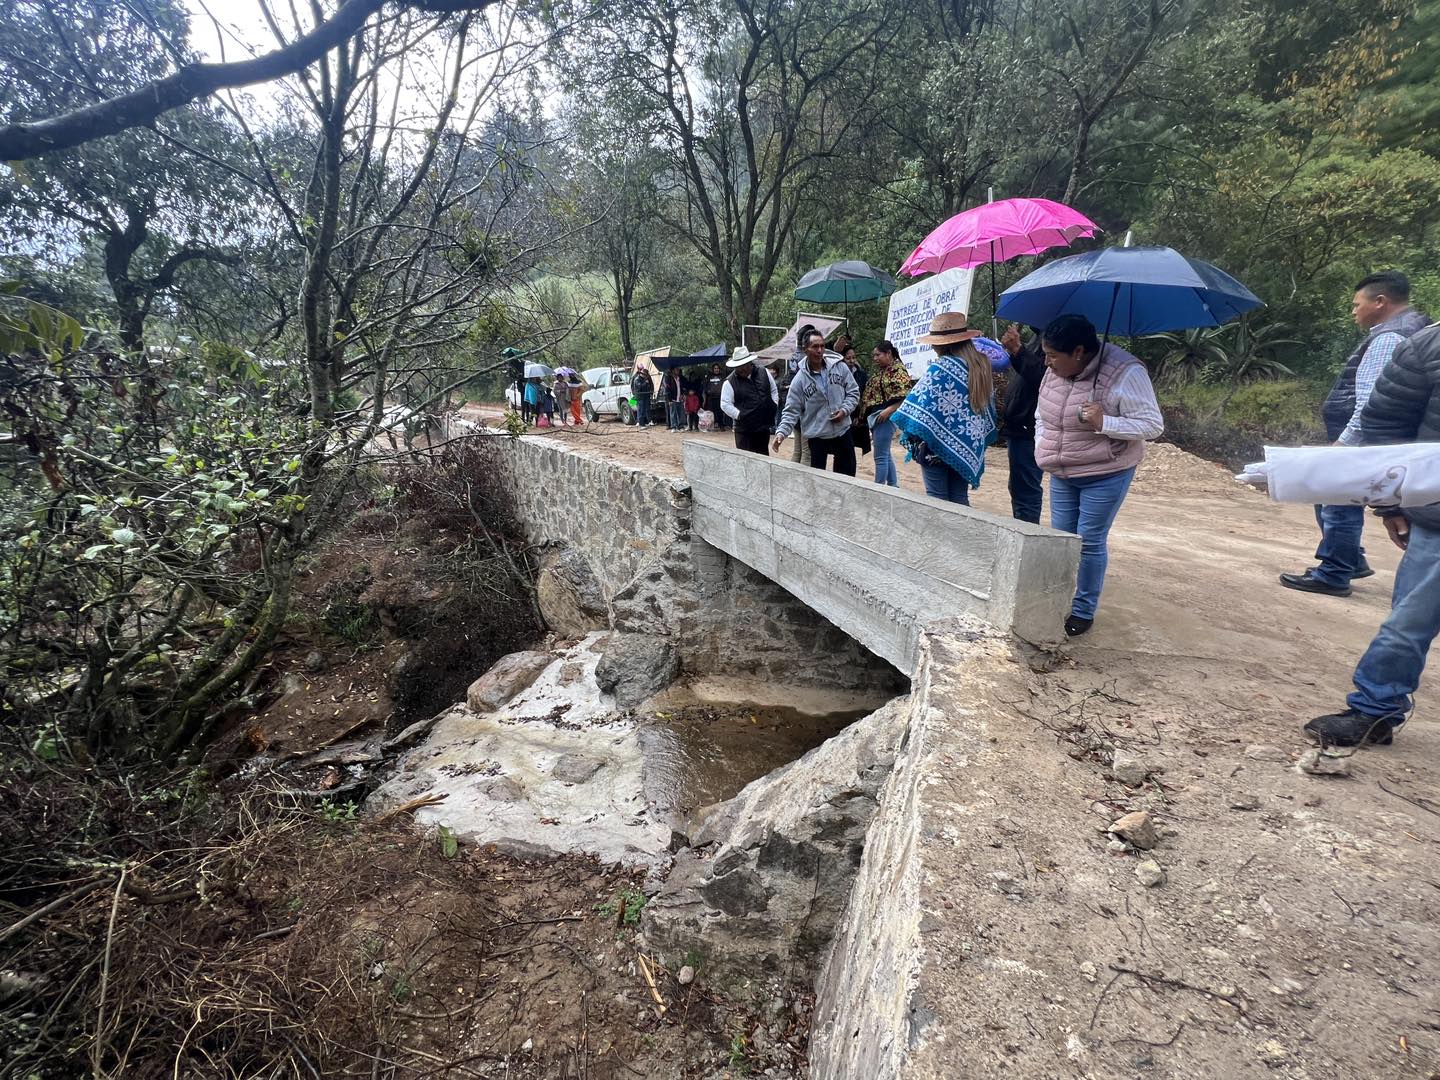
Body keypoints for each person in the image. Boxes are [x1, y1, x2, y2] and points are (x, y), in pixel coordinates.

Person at [1305, 320, 1440, 748]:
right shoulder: (1429, 345)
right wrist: (1391, 503)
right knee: (1410, 621)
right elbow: (1385, 424)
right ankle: (1375, 710)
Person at [1282, 271, 1431, 597]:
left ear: (1380, 301)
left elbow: (1371, 404)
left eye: (1356, 303)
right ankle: (1351, 560)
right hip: (1394, 440)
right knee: (1332, 500)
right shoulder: (1416, 331)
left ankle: (1335, 572)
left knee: (1336, 501)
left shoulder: (1388, 339)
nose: (1353, 311)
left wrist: (1343, 445)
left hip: (1366, 440)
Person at [1035, 314, 1164, 637]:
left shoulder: (1126, 373)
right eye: (1045, 354)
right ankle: (1057, 602)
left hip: (1105, 471)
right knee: (1063, 541)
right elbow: (1043, 415)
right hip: (1062, 470)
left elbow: (1152, 425)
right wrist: (1043, 446)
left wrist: (1106, 422)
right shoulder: (1053, 373)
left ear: (1078, 352)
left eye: (1053, 356)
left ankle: (1082, 610)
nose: (1047, 363)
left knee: (1089, 542)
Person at [891, 313, 996, 504]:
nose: (932, 345)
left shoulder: (941, 368)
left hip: (935, 447)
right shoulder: (981, 366)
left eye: (934, 341)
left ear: (944, 343)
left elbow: (915, 408)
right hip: (967, 445)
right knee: (959, 498)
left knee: (937, 500)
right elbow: (985, 412)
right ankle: (962, 535)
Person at [771, 329, 860, 474]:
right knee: (817, 480)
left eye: (822, 346)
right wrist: (781, 433)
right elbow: (791, 410)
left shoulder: (840, 367)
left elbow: (853, 392)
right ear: (806, 349)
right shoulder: (799, 380)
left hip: (843, 432)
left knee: (847, 478)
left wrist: (844, 410)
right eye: (815, 347)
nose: (819, 350)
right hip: (817, 437)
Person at [999, 323, 1048, 523]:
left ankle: (1027, 538)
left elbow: (1044, 378)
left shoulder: (1058, 338)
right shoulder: (1040, 336)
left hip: (1030, 429)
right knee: (1019, 487)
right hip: (1021, 427)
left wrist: (1018, 350)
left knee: (1026, 491)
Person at [859, 339, 913, 486]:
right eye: (874, 356)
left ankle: (879, 487)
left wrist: (888, 411)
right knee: (885, 454)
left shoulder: (898, 370)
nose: (875, 358)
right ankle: (893, 486)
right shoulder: (885, 371)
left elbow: (906, 396)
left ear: (888, 353)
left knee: (880, 456)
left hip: (886, 416)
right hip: (880, 416)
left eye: (878, 355)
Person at [720, 346, 778, 454]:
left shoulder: (764, 372)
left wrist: (774, 404)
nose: (742, 369)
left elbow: (774, 390)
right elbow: (725, 404)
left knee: (763, 458)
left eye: (745, 365)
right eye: (739, 366)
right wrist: (739, 415)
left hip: (763, 427)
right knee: (745, 461)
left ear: (750, 363)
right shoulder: (729, 382)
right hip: (744, 430)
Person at [705, 364, 729, 431]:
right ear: (713, 369)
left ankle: (721, 425)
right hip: (711, 398)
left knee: (720, 412)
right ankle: (710, 426)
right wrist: (708, 391)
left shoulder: (722, 377)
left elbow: (726, 386)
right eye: (715, 368)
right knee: (711, 412)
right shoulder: (709, 377)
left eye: (717, 368)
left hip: (720, 397)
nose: (716, 369)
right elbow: (705, 386)